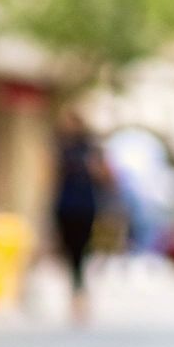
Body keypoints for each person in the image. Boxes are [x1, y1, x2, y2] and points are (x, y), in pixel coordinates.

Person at [52, 110, 107, 326]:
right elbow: (50, 176)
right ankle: (76, 292)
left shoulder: (91, 148)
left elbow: (105, 175)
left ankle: (80, 291)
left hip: (86, 205)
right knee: (70, 251)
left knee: (83, 250)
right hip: (66, 205)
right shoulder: (60, 148)